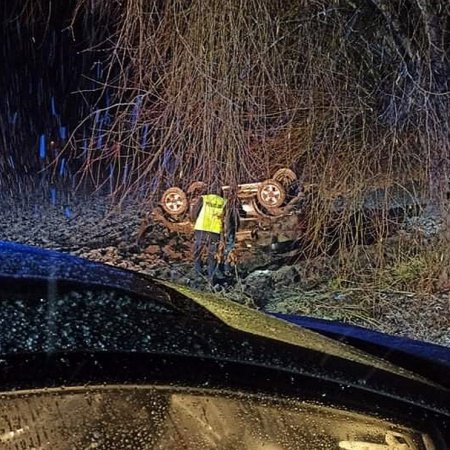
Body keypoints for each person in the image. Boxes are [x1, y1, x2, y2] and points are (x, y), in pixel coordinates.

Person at [191, 184, 227, 283]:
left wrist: (195, 221)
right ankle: (211, 276)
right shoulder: (223, 202)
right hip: (214, 232)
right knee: (212, 255)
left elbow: (194, 213)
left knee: (197, 251)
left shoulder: (204, 199)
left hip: (201, 229)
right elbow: (226, 217)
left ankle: (198, 272)